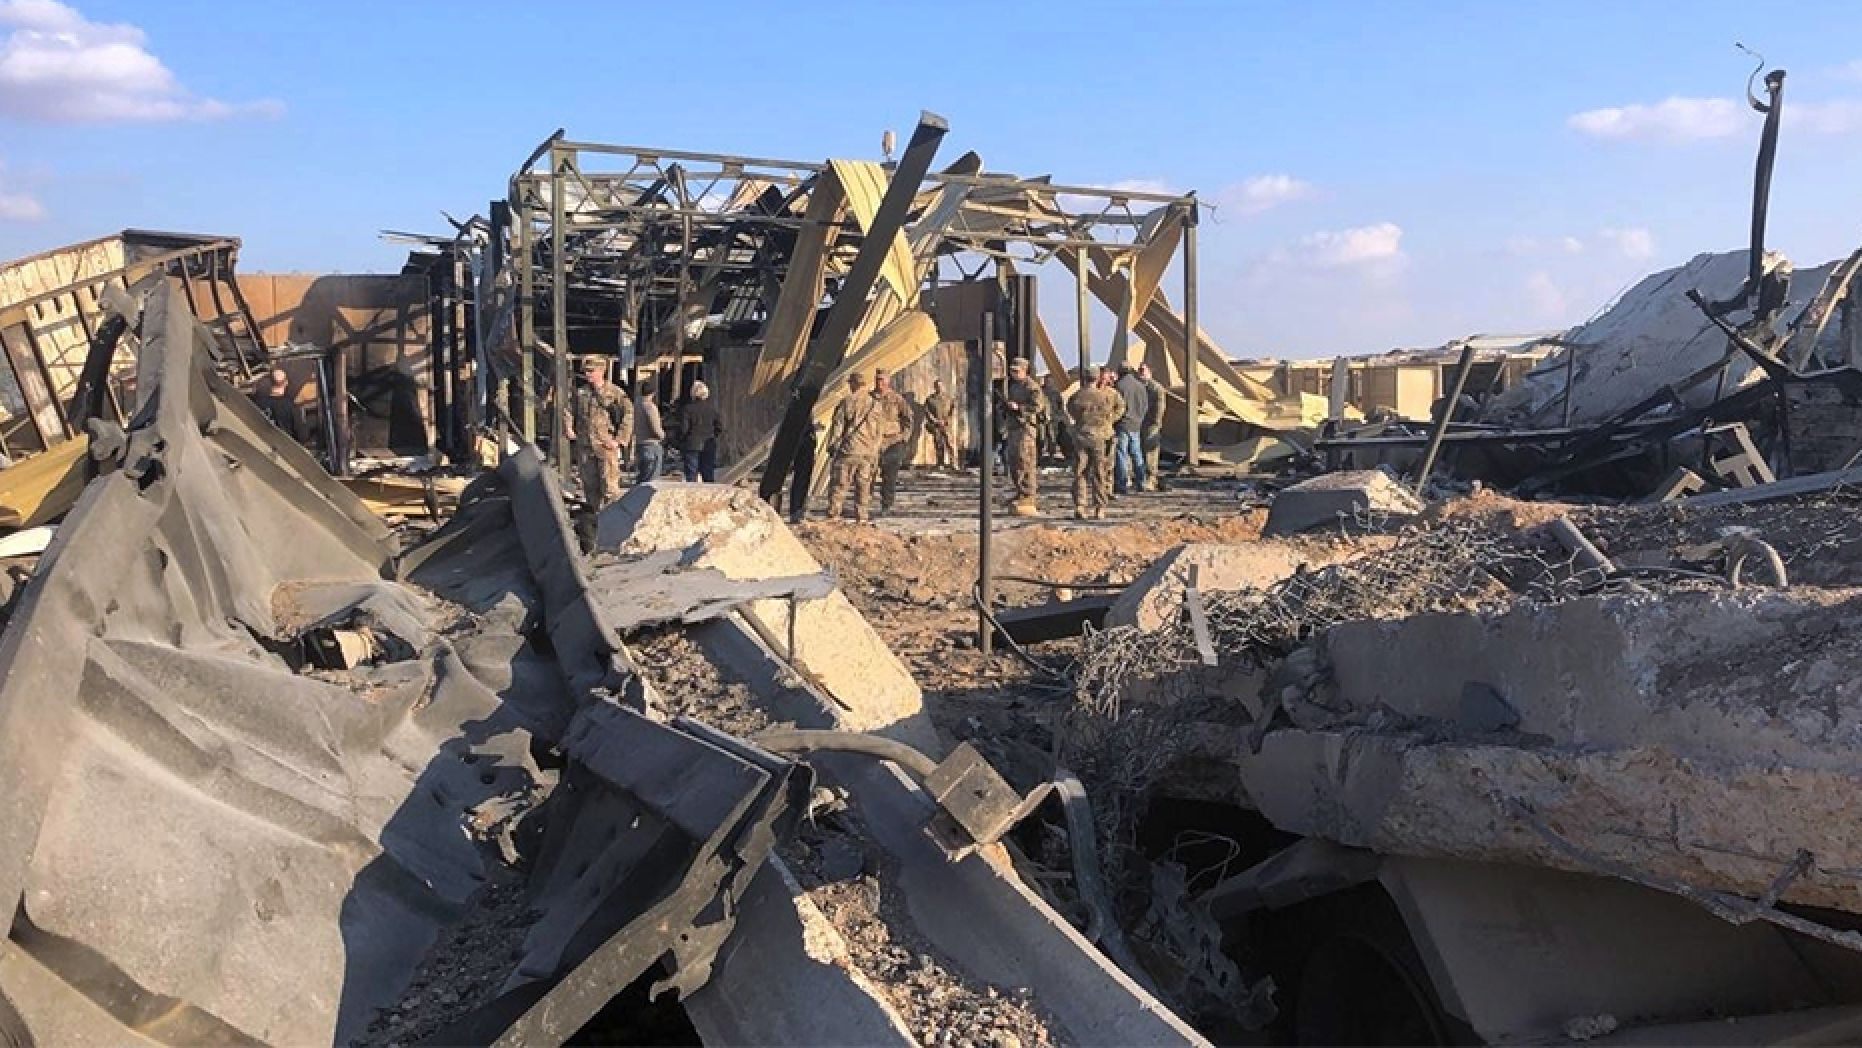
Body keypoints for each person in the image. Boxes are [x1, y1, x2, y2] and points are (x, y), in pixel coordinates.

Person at [823, 373, 894, 522]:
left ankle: (833, 515)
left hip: (848, 450)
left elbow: (838, 426)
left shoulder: (847, 402)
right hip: (867, 453)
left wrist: (832, 446)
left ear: (853, 384)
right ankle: (862, 517)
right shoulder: (876, 405)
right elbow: (881, 430)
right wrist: (875, 449)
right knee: (863, 486)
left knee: (839, 485)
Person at [563, 356, 631, 511]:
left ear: (601, 371)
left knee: (610, 488)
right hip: (585, 447)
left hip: (605, 446)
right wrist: (569, 427)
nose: (587, 374)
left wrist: (619, 440)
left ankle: (612, 523)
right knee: (590, 487)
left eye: (591, 371)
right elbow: (569, 410)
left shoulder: (614, 393)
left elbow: (629, 413)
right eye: (586, 371)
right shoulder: (581, 393)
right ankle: (594, 522)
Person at [1067, 366, 1123, 519]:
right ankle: (1099, 508)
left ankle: (1080, 505)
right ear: (1098, 378)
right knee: (1099, 473)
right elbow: (1112, 412)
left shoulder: (1077, 396)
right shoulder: (1105, 397)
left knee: (1080, 472)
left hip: (1081, 436)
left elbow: (1070, 409)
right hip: (1099, 437)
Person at [1000, 356, 1045, 516]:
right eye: (1012, 371)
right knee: (1014, 462)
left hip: (1025, 429)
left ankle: (1028, 494)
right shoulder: (1014, 387)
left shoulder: (1032, 387)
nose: (1013, 374)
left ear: (1024, 371)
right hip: (1013, 428)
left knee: (1025, 462)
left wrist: (1019, 408)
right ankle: (1020, 490)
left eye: (1016, 371)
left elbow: (1038, 407)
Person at [872, 369, 915, 514]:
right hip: (872, 440)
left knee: (889, 474)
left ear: (888, 381)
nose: (879, 383)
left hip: (892, 441)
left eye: (882, 380)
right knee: (867, 474)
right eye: (877, 380)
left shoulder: (897, 399)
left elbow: (908, 418)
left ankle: (887, 504)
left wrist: (904, 437)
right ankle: (863, 504)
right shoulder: (869, 399)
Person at [1113, 364, 1149, 495]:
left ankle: (1122, 484)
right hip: (1136, 424)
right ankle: (1141, 482)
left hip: (1122, 424)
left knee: (1121, 454)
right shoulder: (1140, 386)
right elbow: (1145, 406)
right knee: (1137, 453)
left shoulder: (1119, 386)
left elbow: (1115, 407)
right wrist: (1139, 419)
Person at [675, 381, 722, 481]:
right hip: (709, 444)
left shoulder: (687, 409)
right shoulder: (712, 409)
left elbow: (684, 429)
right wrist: (712, 436)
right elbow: (719, 427)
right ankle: (709, 494)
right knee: (708, 473)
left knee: (691, 474)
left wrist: (681, 441)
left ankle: (692, 495)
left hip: (692, 444)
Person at [251, 368, 308, 443]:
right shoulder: (291, 407)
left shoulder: (257, 403)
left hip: (262, 444)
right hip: (284, 448)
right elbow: (302, 436)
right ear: (286, 383)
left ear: (271, 382)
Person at [1138, 362, 1167, 491]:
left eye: (1143, 370)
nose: (1141, 372)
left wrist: (1156, 422)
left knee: (1150, 453)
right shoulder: (1138, 386)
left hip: (1151, 424)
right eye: (1140, 370)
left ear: (1150, 371)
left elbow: (1160, 407)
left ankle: (1151, 478)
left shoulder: (1156, 388)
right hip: (1139, 422)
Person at [634, 381, 665, 484]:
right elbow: (655, 428)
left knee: (642, 477)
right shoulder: (650, 407)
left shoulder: (636, 405)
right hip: (651, 444)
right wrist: (663, 436)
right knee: (651, 480)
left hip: (640, 443)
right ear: (653, 393)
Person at [922, 379, 956, 470]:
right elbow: (927, 411)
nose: (939, 387)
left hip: (946, 425)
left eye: (940, 386)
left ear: (943, 386)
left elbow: (952, 410)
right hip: (936, 425)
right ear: (935, 387)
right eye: (937, 386)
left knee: (950, 444)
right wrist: (935, 420)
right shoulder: (930, 399)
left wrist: (947, 420)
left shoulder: (949, 398)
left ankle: (953, 463)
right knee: (938, 444)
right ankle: (940, 463)